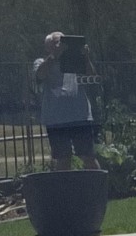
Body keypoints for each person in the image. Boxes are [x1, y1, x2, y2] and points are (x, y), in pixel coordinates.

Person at [32, 31, 100, 171]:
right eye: (56, 43)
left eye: (63, 42)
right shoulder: (41, 62)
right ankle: (64, 185)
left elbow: (91, 78)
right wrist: (54, 56)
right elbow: (40, 75)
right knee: (63, 158)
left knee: (88, 156)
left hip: (80, 116)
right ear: (48, 47)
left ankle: (98, 184)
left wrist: (85, 57)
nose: (60, 45)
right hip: (56, 120)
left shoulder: (76, 60)